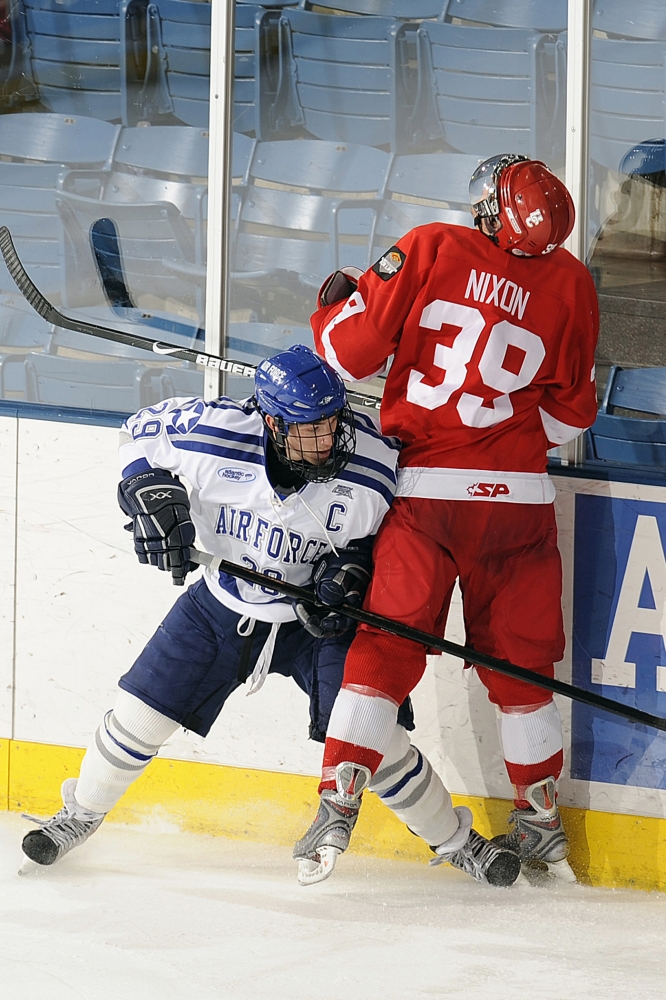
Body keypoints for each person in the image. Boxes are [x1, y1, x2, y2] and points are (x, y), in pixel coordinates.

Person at [20, 345, 520, 888]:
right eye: (311, 430)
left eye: (333, 423)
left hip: (318, 629)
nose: (328, 440)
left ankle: (457, 842)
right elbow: (137, 430)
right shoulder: (214, 433)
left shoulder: (375, 463)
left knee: (376, 740)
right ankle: (79, 816)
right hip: (221, 605)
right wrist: (144, 487)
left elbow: (395, 543)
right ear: (273, 422)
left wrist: (352, 575)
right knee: (138, 717)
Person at [298, 154, 600, 883]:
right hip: (520, 504)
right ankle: (541, 818)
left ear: (493, 212)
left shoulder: (432, 245)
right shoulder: (572, 282)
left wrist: (334, 302)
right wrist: (504, 440)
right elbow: (566, 414)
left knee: (383, 650)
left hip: (427, 494)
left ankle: (339, 801)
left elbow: (345, 353)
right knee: (524, 669)